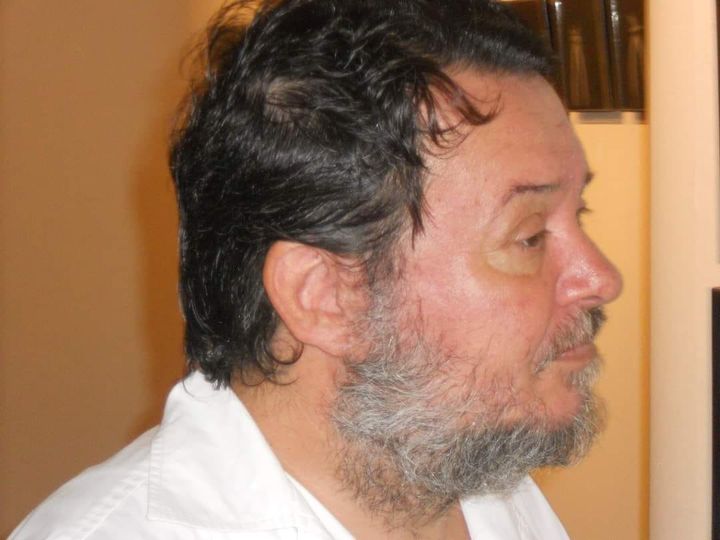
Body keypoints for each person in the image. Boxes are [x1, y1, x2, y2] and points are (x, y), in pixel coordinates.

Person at [10, 0, 622, 538]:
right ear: (325, 295)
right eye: (529, 236)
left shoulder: (489, 490)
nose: (600, 278)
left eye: (580, 214)